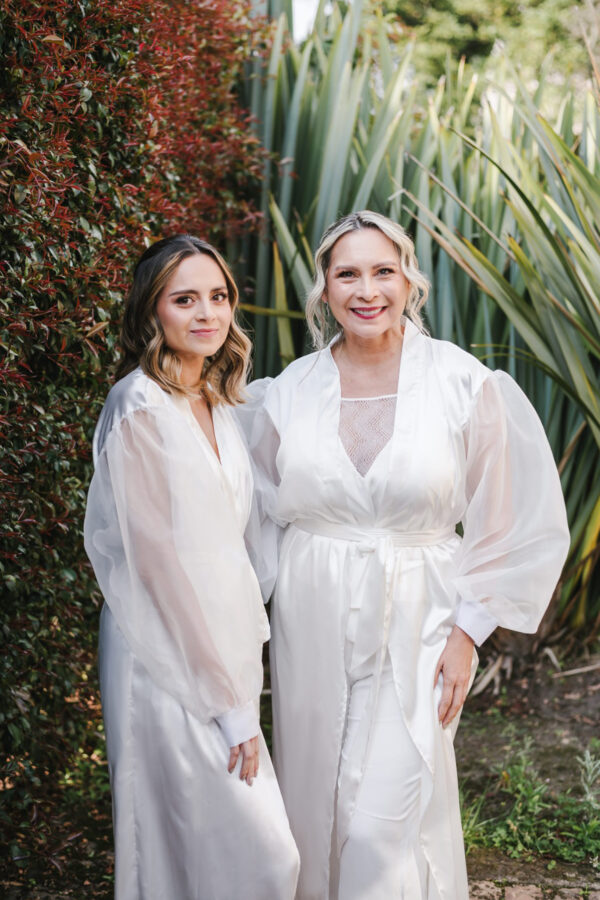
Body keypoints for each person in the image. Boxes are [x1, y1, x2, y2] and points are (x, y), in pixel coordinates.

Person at [240, 211, 570, 899]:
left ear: (409, 280)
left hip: (421, 623)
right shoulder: (290, 391)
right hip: (312, 621)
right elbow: (250, 512)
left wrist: (468, 633)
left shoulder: (461, 383)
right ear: (325, 288)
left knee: (380, 826)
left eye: (383, 271)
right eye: (348, 274)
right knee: (320, 805)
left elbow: (512, 520)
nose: (367, 291)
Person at [84, 235, 299, 900]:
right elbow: (155, 560)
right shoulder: (137, 405)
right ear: (153, 310)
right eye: (185, 300)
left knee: (213, 840)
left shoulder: (218, 399)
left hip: (223, 641)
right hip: (160, 647)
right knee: (258, 850)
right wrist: (222, 696)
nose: (208, 313)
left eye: (219, 296)